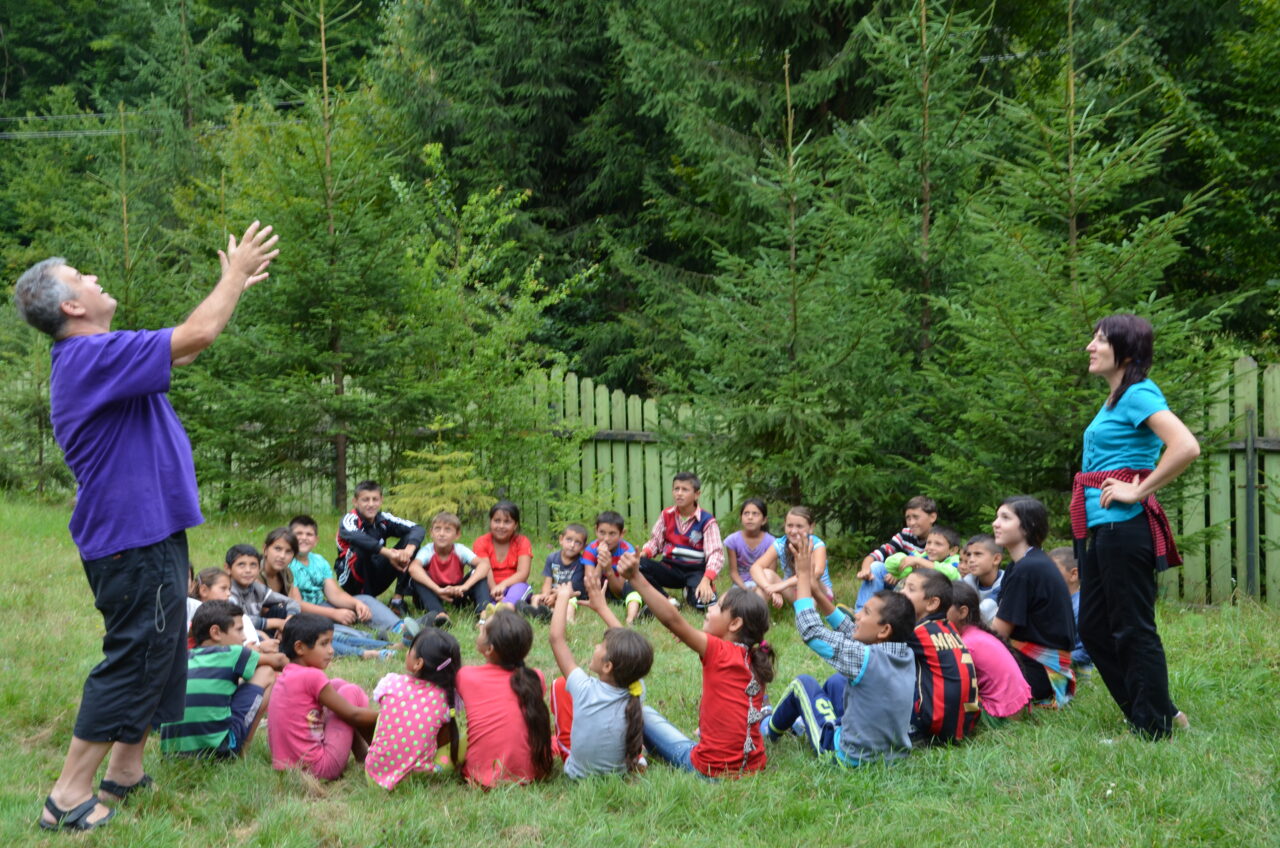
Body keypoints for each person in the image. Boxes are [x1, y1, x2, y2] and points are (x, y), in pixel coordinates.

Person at [15, 223, 278, 831]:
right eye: (82, 277)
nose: (96, 278)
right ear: (71, 306)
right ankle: (66, 797)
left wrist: (225, 293)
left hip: (149, 532)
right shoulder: (88, 355)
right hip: (131, 540)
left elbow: (186, 348)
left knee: (162, 652)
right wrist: (233, 275)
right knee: (134, 657)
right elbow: (199, 331)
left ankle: (125, 772)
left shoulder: (101, 357)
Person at [1074, 314, 1199, 739]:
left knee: (1132, 626)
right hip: (1102, 528)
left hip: (1125, 526)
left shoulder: (1139, 394)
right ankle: (1159, 711)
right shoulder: (1116, 398)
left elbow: (1185, 446)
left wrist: (1138, 490)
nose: (1090, 346)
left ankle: (1152, 727)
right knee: (1093, 627)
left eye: (1100, 340)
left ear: (1126, 352)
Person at [616, 551, 774, 778]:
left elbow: (673, 619)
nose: (709, 610)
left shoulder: (718, 651)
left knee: (644, 714)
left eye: (717, 607)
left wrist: (636, 578)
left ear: (735, 623)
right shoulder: (757, 658)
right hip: (753, 767)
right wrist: (697, 635)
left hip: (710, 769)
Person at [765, 536, 916, 766]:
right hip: (892, 758)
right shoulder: (905, 654)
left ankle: (768, 730)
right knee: (837, 682)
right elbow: (852, 631)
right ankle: (802, 723)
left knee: (802, 684)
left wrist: (803, 578)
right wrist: (816, 591)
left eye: (865, 612)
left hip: (848, 756)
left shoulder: (865, 658)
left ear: (884, 630)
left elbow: (811, 630)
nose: (857, 615)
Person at [548, 577, 654, 777]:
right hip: (622, 772)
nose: (596, 646)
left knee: (560, 685)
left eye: (601, 646)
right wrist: (602, 608)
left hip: (578, 774)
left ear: (607, 666)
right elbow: (630, 648)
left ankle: (557, 744)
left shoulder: (584, 689)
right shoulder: (637, 688)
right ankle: (637, 757)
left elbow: (556, 639)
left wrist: (562, 598)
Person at [160, 600, 282, 757]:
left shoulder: (182, 658)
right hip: (218, 751)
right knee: (265, 672)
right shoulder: (234, 653)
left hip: (172, 753)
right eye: (239, 630)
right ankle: (242, 750)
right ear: (216, 632)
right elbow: (277, 662)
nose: (244, 637)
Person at [267, 614, 378, 780]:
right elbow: (353, 714)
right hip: (319, 769)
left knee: (338, 684)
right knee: (351, 692)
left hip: (287, 767)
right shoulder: (312, 677)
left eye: (331, 643)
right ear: (300, 648)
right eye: (324, 644)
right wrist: (389, 715)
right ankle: (377, 755)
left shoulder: (288, 673)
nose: (331, 650)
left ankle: (363, 755)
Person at [991, 497, 1077, 708]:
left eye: (1005, 517)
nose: (996, 523)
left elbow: (998, 633)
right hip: (1030, 662)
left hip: (1041, 673)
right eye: (997, 517)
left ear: (1027, 527)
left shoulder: (1027, 569)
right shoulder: (1024, 564)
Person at [261, 527, 395, 660]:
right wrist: (280, 625)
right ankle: (366, 653)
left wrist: (288, 620)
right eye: (277, 549)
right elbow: (258, 614)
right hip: (262, 630)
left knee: (321, 632)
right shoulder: (256, 575)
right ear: (265, 549)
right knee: (314, 638)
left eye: (288, 552)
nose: (282, 556)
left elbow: (293, 604)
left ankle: (389, 643)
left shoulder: (286, 573)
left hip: (286, 624)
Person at [455, 608, 553, 786]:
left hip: (480, 776)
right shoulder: (535, 677)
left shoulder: (466, 676)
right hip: (531, 774)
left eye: (483, 627)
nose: (480, 628)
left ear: (489, 649)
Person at [365, 629, 461, 790]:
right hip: (416, 779)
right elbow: (443, 739)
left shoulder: (390, 682)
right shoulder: (446, 699)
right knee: (465, 738)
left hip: (373, 776)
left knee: (384, 715)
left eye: (410, 648)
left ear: (418, 663)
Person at [898, 568, 980, 745]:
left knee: (886, 671)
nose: (901, 592)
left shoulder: (917, 633)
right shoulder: (949, 628)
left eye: (910, 589)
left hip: (933, 726)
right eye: (904, 586)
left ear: (932, 603)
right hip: (964, 725)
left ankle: (911, 729)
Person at [334, 480, 425, 628]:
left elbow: (417, 528)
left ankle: (397, 600)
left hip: (376, 575)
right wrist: (388, 553)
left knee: (411, 542)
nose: (371, 504)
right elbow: (356, 538)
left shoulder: (383, 519)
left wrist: (407, 552)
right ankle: (366, 602)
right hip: (352, 580)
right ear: (355, 502)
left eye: (375, 499)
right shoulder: (349, 519)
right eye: (365, 499)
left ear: (381, 500)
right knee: (361, 547)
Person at [288, 515, 393, 633]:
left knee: (364, 601)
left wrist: (356, 604)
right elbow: (297, 605)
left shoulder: (319, 561)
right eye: (299, 534)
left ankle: (399, 626)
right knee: (325, 628)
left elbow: (334, 594)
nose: (304, 538)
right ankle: (363, 638)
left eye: (309, 534)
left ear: (316, 540)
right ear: (289, 538)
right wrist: (334, 613)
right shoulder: (287, 564)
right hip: (301, 614)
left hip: (322, 607)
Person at [948, 583, 1031, 726]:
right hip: (1018, 706)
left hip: (1002, 715)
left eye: (942, 609)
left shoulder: (966, 644)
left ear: (962, 612)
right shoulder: (975, 632)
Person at [638, 472, 725, 610]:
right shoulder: (666, 515)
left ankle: (691, 592)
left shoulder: (707, 521)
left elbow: (716, 554)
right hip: (670, 568)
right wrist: (645, 553)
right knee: (638, 565)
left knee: (701, 605)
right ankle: (666, 599)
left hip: (695, 571)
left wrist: (706, 579)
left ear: (697, 494)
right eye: (676, 489)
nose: (679, 493)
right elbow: (656, 542)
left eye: (685, 489)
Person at [407, 511, 493, 627]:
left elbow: (484, 565)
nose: (441, 534)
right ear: (431, 533)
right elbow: (413, 568)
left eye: (447, 530)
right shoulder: (428, 551)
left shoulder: (459, 550)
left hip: (457, 592)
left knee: (478, 574)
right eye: (437, 529)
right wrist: (438, 590)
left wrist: (464, 587)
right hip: (433, 593)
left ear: (457, 535)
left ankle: (484, 616)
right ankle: (440, 615)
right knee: (417, 577)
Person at [854, 495, 938, 610]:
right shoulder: (906, 534)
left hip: (924, 589)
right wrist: (865, 569)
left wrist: (900, 576)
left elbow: (937, 570)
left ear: (932, 517)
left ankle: (886, 616)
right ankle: (862, 613)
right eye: (908, 518)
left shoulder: (939, 540)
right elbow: (878, 554)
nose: (911, 522)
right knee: (876, 567)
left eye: (916, 517)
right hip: (901, 583)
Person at [750, 506, 834, 607]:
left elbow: (817, 573)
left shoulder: (817, 545)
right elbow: (755, 567)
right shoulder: (780, 544)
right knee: (767, 574)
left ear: (811, 527)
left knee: (812, 580)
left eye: (799, 526)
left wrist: (779, 586)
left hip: (819, 594)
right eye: (790, 525)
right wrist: (768, 588)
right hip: (794, 593)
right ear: (784, 526)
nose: (793, 531)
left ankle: (808, 615)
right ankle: (755, 615)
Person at [226, 544, 299, 639]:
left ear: (259, 568)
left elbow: (291, 602)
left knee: (282, 608)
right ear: (228, 569)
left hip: (259, 630)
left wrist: (287, 623)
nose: (248, 570)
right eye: (241, 565)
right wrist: (276, 623)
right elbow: (238, 621)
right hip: (238, 636)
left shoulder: (257, 588)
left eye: (253, 565)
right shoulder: (226, 591)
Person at [582, 511, 643, 624]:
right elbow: (590, 585)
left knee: (633, 586)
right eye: (602, 532)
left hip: (619, 587)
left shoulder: (626, 551)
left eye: (612, 534)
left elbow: (619, 590)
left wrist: (609, 568)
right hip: (599, 588)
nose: (606, 538)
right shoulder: (590, 549)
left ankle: (631, 617)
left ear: (622, 533)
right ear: (596, 530)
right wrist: (601, 563)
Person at [472, 500, 535, 605]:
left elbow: (523, 573)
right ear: (490, 522)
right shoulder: (481, 542)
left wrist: (503, 585)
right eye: (497, 521)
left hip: (515, 586)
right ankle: (495, 608)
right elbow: (485, 570)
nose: (501, 526)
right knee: (485, 599)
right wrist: (495, 590)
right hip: (489, 588)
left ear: (515, 525)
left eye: (507, 522)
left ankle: (506, 605)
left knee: (519, 589)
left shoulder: (522, 542)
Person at [188, 566, 263, 651]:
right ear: (204, 590)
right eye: (223, 588)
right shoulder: (195, 612)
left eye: (229, 589)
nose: (228, 594)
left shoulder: (235, 614)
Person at [530, 523, 589, 621]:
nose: (572, 545)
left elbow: (572, 588)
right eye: (569, 540)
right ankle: (536, 615)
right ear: (561, 539)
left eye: (578, 542)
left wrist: (555, 596)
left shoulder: (580, 562)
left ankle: (568, 620)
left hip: (570, 594)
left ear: (583, 547)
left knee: (570, 604)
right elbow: (547, 581)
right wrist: (546, 595)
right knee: (536, 598)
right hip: (552, 593)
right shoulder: (552, 558)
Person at [1048, 546, 1093, 670]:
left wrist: (1051, 660)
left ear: (1074, 574)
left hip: (1078, 670)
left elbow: (1086, 653)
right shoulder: (1049, 604)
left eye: (1052, 570)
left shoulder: (1083, 607)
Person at [723, 498, 775, 601]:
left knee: (755, 600)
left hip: (763, 584)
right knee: (723, 602)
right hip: (740, 585)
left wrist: (759, 586)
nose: (750, 517)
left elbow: (771, 572)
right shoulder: (732, 540)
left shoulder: (771, 542)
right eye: (746, 513)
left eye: (755, 514)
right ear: (741, 517)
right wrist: (744, 588)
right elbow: (734, 572)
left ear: (764, 520)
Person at [884, 525, 963, 583]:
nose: (931, 547)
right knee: (878, 567)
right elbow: (904, 567)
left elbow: (951, 574)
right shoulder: (923, 556)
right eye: (928, 543)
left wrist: (920, 561)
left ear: (953, 550)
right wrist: (898, 570)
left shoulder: (955, 561)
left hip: (943, 599)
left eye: (938, 544)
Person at [961, 534, 1005, 624]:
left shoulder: (1006, 582)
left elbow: (982, 614)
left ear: (996, 559)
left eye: (978, 554)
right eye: (969, 555)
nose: (971, 560)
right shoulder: (968, 580)